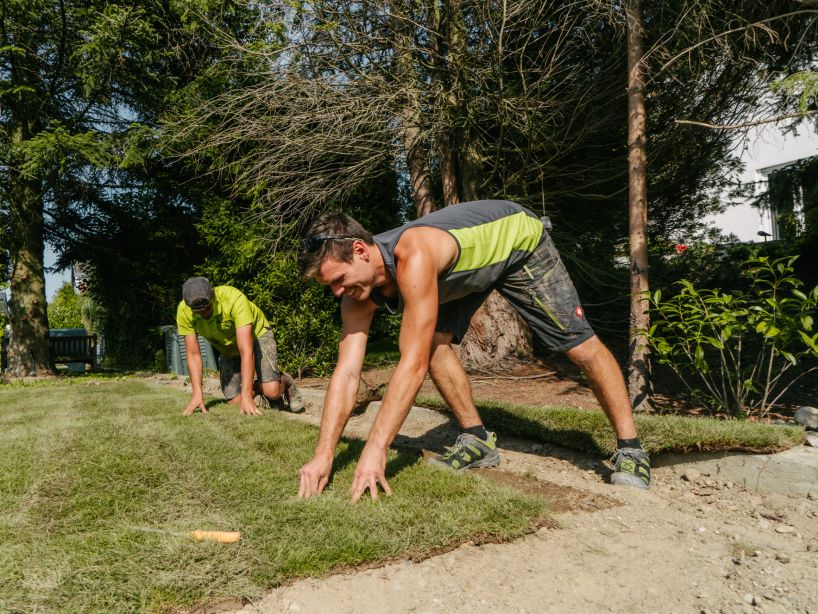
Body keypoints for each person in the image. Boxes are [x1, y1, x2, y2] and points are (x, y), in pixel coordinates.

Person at [296, 200, 650, 502]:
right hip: (458, 274)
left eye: (339, 280)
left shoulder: (414, 256)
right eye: (330, 286)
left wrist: (376, 449)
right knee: (432, 344)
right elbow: (347, 372)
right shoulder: (357, 296)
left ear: (359, 250)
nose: (337, 293)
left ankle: (631, 448)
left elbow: (411, 365)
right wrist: (322, 455)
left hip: (517, 242)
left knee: (579, 346)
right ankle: (477, 440)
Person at [176, 277, 304, 416]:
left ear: (213, 293)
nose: (205, 314)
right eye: (198, 312)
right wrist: (197, 393)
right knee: (234, 401)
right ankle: (263, 389)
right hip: (227, 347)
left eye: (207, 308)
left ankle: (284, 381)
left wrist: (247, 395)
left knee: (271, 390)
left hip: (257, 336)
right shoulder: (183, 311)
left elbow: (246, 351)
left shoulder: (233, 299)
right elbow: (193, 355)